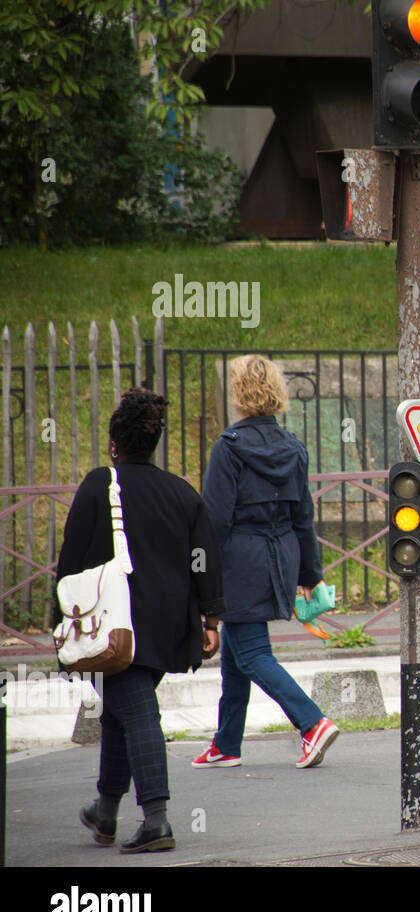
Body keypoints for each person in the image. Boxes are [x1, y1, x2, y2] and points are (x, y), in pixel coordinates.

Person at [58, 387, 225, 854]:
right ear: (153, 443)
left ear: (115, 443)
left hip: (115, 628)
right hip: (168, 627)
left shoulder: (98, 484)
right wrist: (211, 619)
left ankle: (157, 819)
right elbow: (203, 559)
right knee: (119, 712)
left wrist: (62, 624)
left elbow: (70, 559)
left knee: (136, 712)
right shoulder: (182, 493)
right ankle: (106, 809)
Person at [193, 354, 339, 770]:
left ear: (238, 395)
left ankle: (312, 723)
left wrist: (203, 579)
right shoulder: (293, 446)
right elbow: (303, 516)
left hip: (241, 557)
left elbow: (215, 522)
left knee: (252, 651)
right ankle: (227, 743)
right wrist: (310, 574)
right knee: (238, 650)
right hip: (282, 554)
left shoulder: (228, 448)